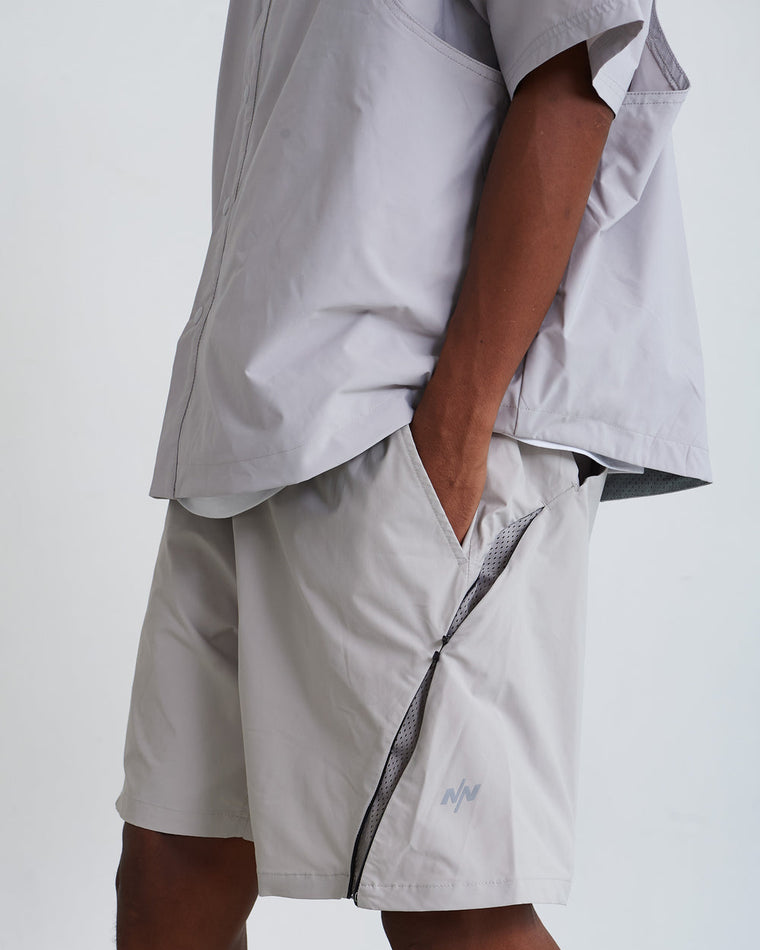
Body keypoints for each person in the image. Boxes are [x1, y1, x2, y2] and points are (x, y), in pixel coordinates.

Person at [113, 1, 712, 948]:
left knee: (454, 910)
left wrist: (456, 428)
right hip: (246, 420)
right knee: (171, 869)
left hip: (405, 419)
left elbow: (574, 72)